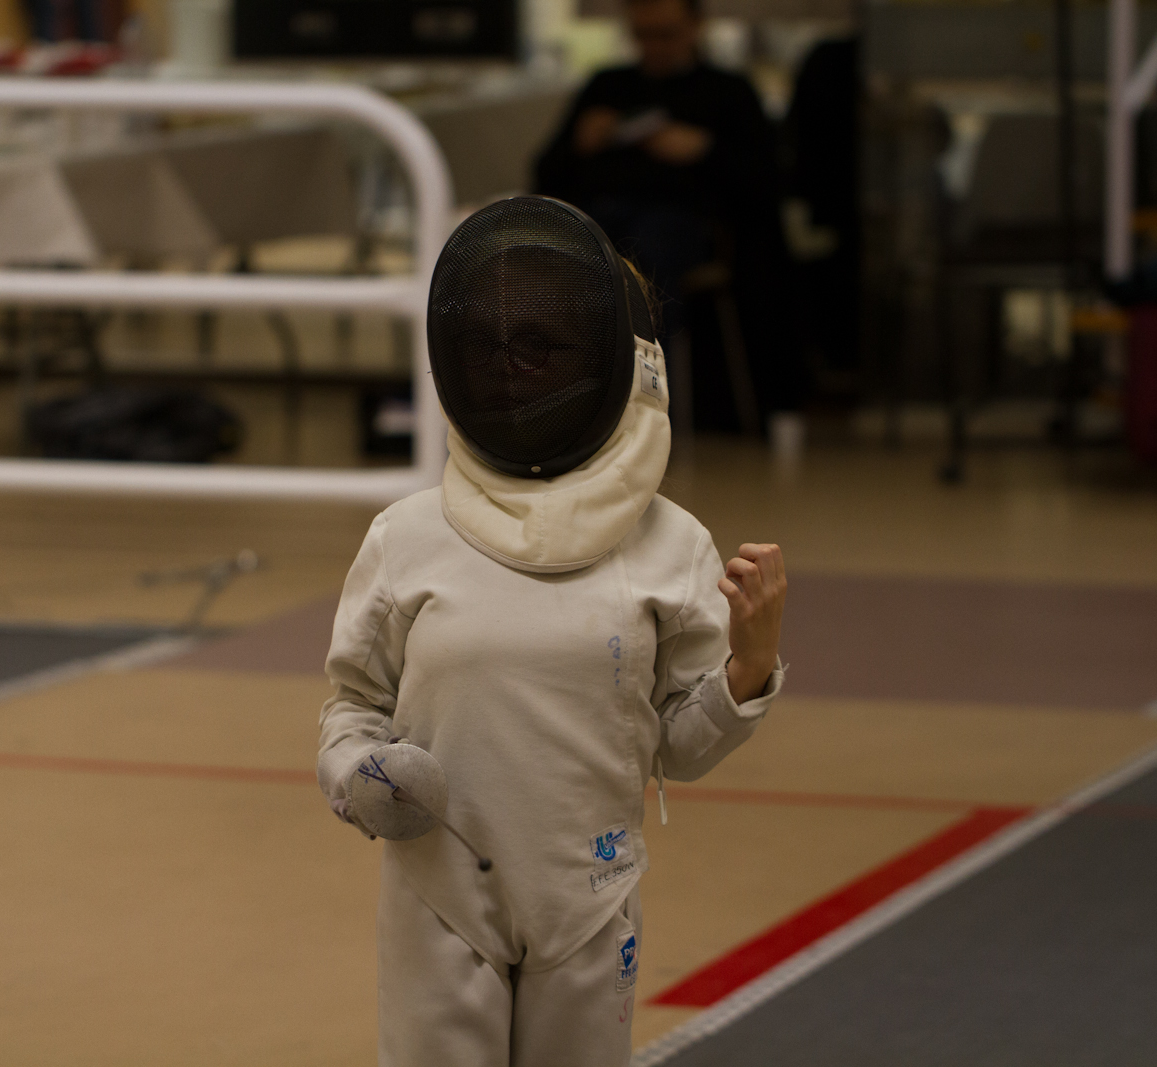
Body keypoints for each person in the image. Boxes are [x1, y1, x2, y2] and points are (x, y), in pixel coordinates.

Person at [317, 196, 787, 1067]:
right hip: (438, 901)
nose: (511, 368)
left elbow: (678, 749)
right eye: (493, 344)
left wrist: (748, 668)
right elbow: (351, 708)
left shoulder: (671, 546)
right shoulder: (407, 537)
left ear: (617, 364)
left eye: (542, 344)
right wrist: (358, 775)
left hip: (590, 901)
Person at [533, 0, 802, 423]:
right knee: (567, 252)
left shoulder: (727, 91)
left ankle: (646, 412)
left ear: (695, 28)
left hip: (684, 226)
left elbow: (768, 182)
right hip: (601, 217)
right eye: (643, 35)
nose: (654, 46)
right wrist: (580, 143)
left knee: (647, 251)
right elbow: (545, 173)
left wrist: (704, 150)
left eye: (666, 34)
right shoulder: (608, 86)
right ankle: (561, 406)